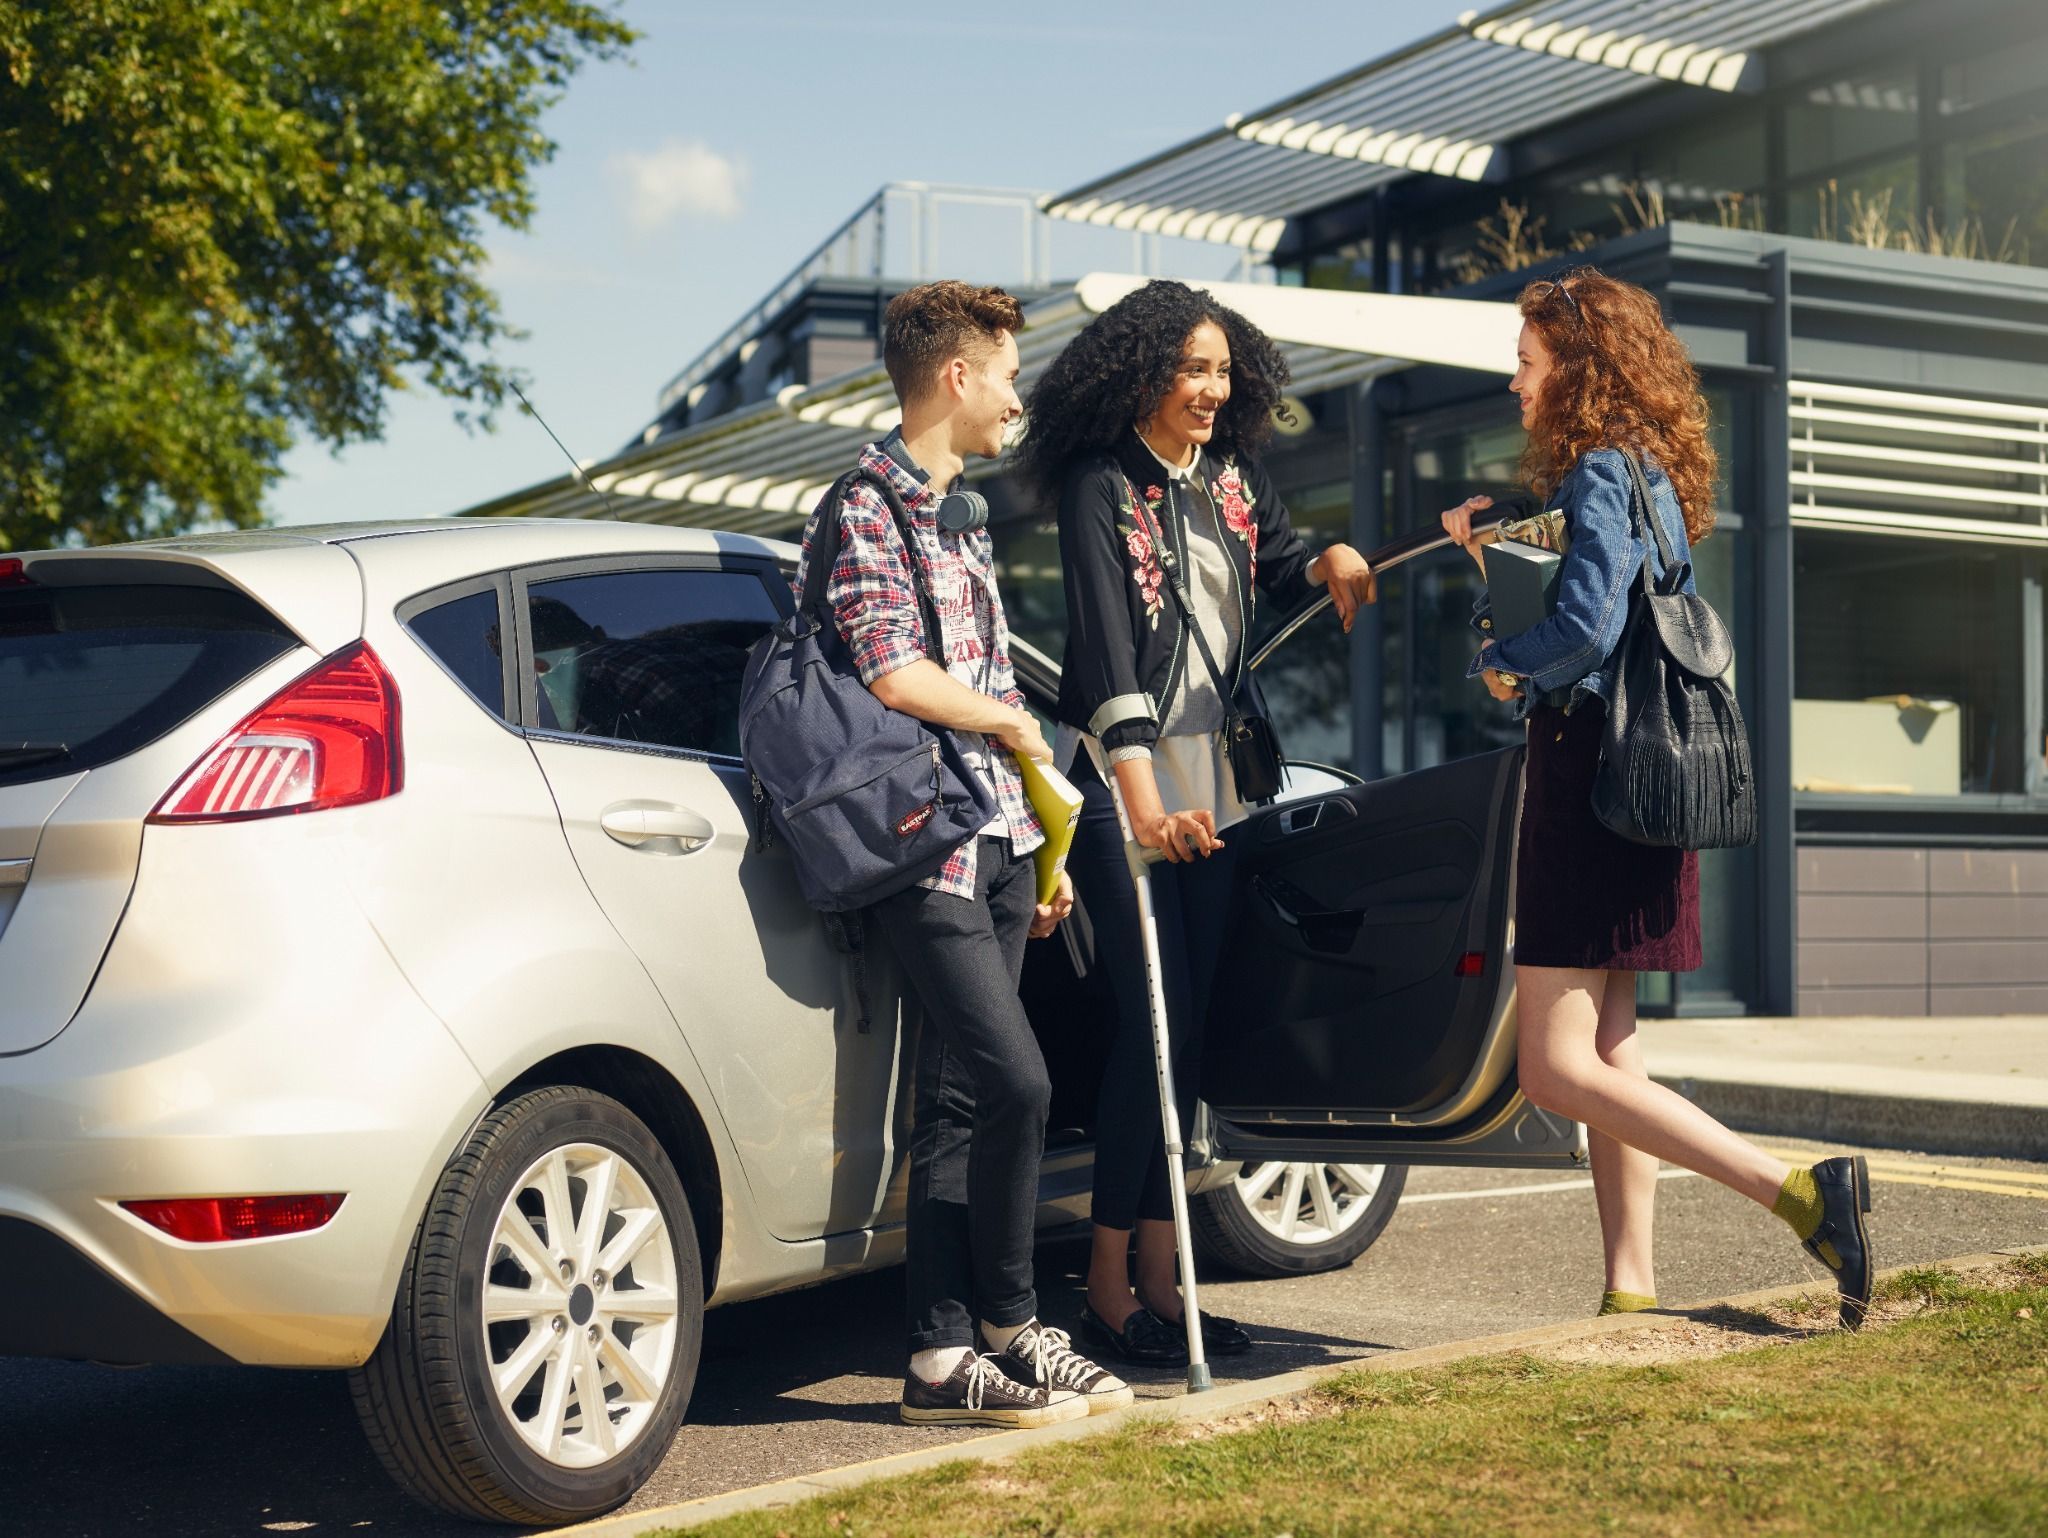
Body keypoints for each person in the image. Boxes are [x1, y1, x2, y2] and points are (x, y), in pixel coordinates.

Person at [1441, 266, 1875, 1328]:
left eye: (1526, 361)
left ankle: (1800, 1193)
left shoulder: (1595, 468)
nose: (1514, 381)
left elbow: (1583, 628)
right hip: (1644, 782)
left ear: (1575, 368)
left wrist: (1502, 663)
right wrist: (1490, 545)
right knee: (1610, 1051)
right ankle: (1629, 1282)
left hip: (1586, 777)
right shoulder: (1646, 474)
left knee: (1549, 1067)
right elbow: (1604, 594)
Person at [1018, 279, 1378, 1365]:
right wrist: (1141, 804)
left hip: (1221, 783)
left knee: (1198, 1032)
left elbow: (1269, 561)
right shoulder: (1098, 485)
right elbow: (1102, 657)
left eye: (1224, 370)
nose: (1213, 389)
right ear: (1140, 374)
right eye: (1193, 370)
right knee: (1151, 1031)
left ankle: (1168, 1283)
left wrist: (1323, 556)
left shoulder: (1227, 477)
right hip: (1132, 787)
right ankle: (1105, 1283)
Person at [791, 280, 1130, 1426]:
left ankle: (950, 1362)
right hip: (916, 841)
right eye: (1005, 373)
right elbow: (895, 672)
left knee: (955, 1102)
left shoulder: (963, 512)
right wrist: (1013, 725)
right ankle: (1009, 1316)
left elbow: (979, 674)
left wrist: (1043, 843)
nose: (1014, 396)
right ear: (954, 377)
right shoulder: (862, 508)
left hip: (990, 832)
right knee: (1016, 1079)